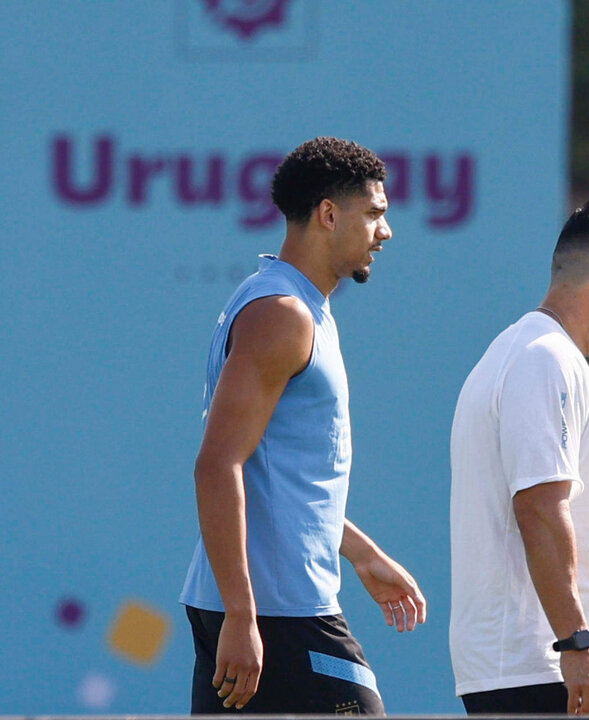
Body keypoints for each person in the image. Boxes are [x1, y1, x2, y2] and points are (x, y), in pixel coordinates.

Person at [180, 137, 427, 715]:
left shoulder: (299, 306)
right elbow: (217, 464)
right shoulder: (283, 315)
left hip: (263, 609)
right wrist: (242, 618)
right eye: (374, 214)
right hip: (276, 614)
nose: (384, 232)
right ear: (328, 214)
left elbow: (278, 477)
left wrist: (361, 553)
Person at [448, 199, 589, 714]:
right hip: (542, 670)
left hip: (546, 670)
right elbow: (540, 509)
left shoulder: (535, 355)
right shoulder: (543, 361)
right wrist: (575, 644)